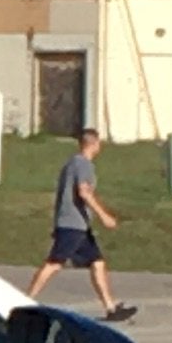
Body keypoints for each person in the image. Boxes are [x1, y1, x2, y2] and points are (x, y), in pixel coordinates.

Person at [28, 126, 133, 320]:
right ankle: (25, 301)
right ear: (93, 144)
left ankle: (111, 308)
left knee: (97, 262)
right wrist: (104, 215)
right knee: (54, 263)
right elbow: (84, 192)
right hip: (72, 224)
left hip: (80, 226)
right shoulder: (83, 164)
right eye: (99, 143)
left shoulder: (72, 164)